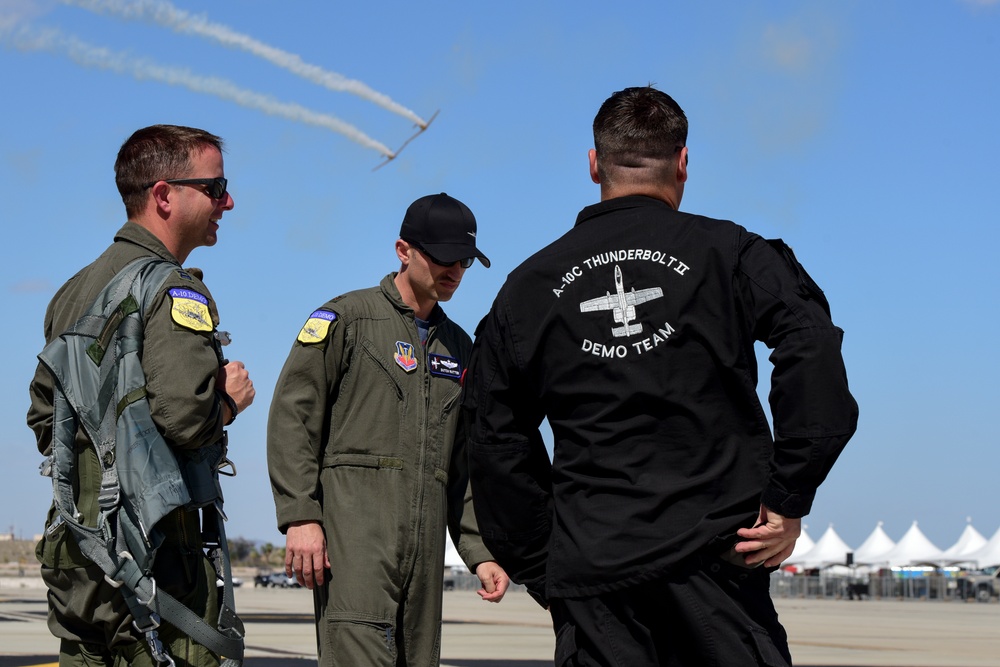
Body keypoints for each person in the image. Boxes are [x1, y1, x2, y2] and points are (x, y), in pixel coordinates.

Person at [463, 86, 859, 666]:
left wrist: (544, 564)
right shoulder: (731, 254)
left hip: (594, 574)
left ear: (594, 164)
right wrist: (788, 495)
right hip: (719, 566)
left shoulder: (527, 288)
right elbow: (813, 346)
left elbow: (494, 438)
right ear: (683, 162)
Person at [27, 125, 255, 667]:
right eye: (216, 185)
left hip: (78, 555)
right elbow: (184, 416)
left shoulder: (74, 290)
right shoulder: (174, 288)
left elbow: (44, 419)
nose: (229, 200)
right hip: (156, 559)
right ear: (163, 195)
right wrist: (227, 401)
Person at [267, 192, 510, 667]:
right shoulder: (346, 320)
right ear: (404, 250)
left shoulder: (460, 347)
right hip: (356, 546)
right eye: (443, 258)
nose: (455, 271)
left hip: (423, 565)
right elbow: (293, 417)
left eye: (464, 261)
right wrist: (300, 515)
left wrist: (478, 552)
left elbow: (462, 463)